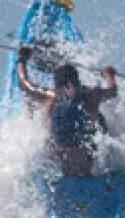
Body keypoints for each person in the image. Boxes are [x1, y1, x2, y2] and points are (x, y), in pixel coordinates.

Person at [16, 44, 118, 177]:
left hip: (59, 158)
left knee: (32, 105)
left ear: (56, 84)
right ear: (77, 81)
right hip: (86, 160)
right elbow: (112, 91)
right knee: (99, 119)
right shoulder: (93, 94)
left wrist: (22, 59)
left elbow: (23, 83)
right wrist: (109, 74)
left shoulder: (48, 96)